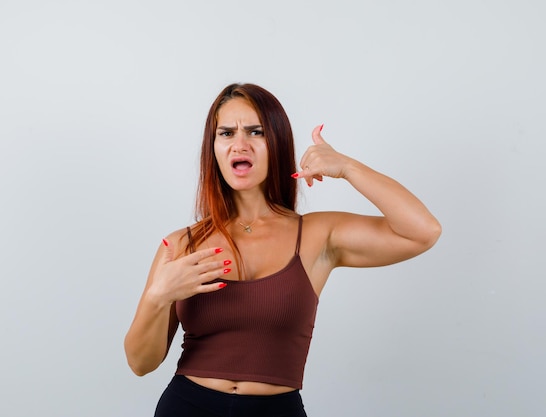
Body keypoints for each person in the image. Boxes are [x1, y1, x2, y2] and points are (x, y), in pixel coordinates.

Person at [124, 83, 441, 417]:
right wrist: (158, 297)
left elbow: (422, 231)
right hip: (186, 407)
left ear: (276, 142)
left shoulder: (318, 235)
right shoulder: (180, 245)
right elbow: (140, 363)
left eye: (255, 132)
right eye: (226, 133)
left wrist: (348, 167)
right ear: (213, 147)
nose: (239, 144)